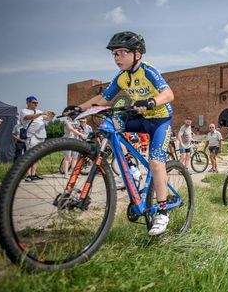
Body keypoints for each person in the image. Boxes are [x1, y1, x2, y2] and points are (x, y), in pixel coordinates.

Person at [64, 31, 174, 236]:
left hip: (159, 119)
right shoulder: (122, 78)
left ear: (137, 54)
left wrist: (152, 101)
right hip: (140, 118)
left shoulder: (148, 71)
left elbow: (169, 94)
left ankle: (163, 211)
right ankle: (131, 168)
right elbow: (103, 98)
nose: (117, 58)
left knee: (156, 162)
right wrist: (79, 109)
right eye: (114, 54)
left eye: (122, 53)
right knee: (109, 126)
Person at [20, 96, 54, 182]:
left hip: (41, 136)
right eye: (34, 102)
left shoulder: (39, 112)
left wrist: (52, 116)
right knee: (29, 156)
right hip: (32, 136)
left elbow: (48, 119)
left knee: (37, 156)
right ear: (28, 103)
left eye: (37, 103)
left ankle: (33, 174)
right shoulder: (24, 111)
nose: (36, 104)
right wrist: (41, 114)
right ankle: (28, 175)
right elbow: (28, 117)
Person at [62, 114, 87, 179]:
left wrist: (81, 131)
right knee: (67, 158)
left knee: (75, 158)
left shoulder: (77, 121)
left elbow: (78, 129)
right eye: (73, 114)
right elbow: (71, 129)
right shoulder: (66, 121)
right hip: (68, 140)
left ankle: (74, 174)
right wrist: (81, 134)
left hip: (75, 141)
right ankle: (66, 174)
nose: (75, 115)